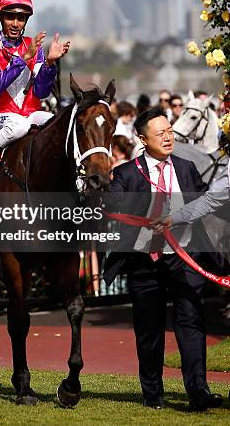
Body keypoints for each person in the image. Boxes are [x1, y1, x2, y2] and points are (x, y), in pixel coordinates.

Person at [103, 108, 222, 412]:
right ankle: (152, 393)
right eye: (161, 133)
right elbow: (113, 204)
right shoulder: (127, 173)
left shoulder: (187, 168)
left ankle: (199, 392)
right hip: (145, 262)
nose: (169, 137)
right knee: (149, 330)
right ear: (142, 139)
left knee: (191, 323)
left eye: (170, 130)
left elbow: (206, 204)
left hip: (183, 259)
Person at [0, 0, 70, 190]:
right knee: (18, 126)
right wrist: (23, 59)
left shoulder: (33, 46)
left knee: (59, 125)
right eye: (10, 17)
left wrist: (49, 63)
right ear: (1, 17)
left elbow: (41, 92)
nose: (15, 23)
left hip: (29, 113)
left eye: (21, 18)